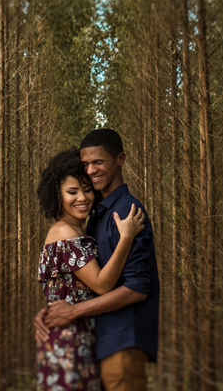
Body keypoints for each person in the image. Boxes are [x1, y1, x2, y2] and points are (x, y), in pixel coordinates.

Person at [35, 128, 160, 391]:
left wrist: (70, 311)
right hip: (93, 340)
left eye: (98, 162)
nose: (91, 171)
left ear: (120, 159)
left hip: (121, 339)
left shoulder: (126, 212)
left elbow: (136, 288)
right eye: (86, 164)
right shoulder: (96, 219)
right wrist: (50, 313)